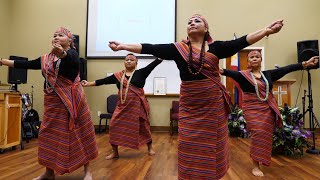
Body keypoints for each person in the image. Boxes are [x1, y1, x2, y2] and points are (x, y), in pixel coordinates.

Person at [107, 14, 284, 179]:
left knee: (212, 145)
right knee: (188, 145)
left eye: (197, 21)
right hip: (190, 106)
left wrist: (266, 30)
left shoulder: (217, 48)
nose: (192, 23)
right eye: (189, 21)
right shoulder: (177, 49)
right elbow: (149, 47)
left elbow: (241, 41)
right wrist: (123, 46)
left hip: (212, 106)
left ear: (206, 29)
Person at [0, 27, 98, 180]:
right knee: (47, 135)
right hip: (53, 104)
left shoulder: (72, 54)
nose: (56, 37)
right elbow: (27, 64)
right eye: (54, 35)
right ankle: (49, 172)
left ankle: (88, 171)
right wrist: (3, 61)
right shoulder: (46, 59)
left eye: (61, 35)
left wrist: (62, 53)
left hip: (72, 102)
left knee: (79, 133)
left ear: (70, 41)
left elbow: (70, 59)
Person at [220, 50, 319, 177]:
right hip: (252, 110)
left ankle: (261, 159)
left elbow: (287, 68)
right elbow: (224, 71)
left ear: (261, 60)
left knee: (265, 136)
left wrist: (305, 63)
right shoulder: (242, 75)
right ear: (248, 61)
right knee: (258, 133)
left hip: (267, 110)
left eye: (257, 56)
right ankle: (255, 165)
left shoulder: (268, 75)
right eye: (252, 57)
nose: (255, 58)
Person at [81, 54, 162, 159]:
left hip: (137, 107)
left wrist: (162, 55)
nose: (128, 61)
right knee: (113, 125)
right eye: (126, 59)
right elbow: (103, 81)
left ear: (136, 62)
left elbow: (154, 64)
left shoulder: (142, 72)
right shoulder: (118, 76)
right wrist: (88, 83)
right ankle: (115, 152)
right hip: (122, 106)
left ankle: (150, 148)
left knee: (143, 127)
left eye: (131, 60)